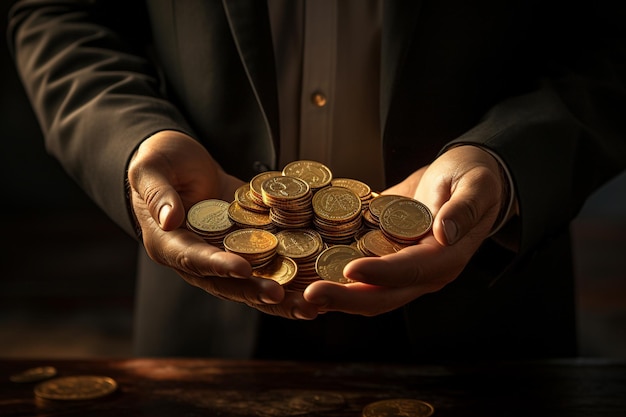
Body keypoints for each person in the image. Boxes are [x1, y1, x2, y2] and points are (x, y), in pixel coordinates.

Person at [8, 0, 626, 362]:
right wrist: (135, 140)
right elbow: (61, 12)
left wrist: (506, 161)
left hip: (486, 323)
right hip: (205, 320)